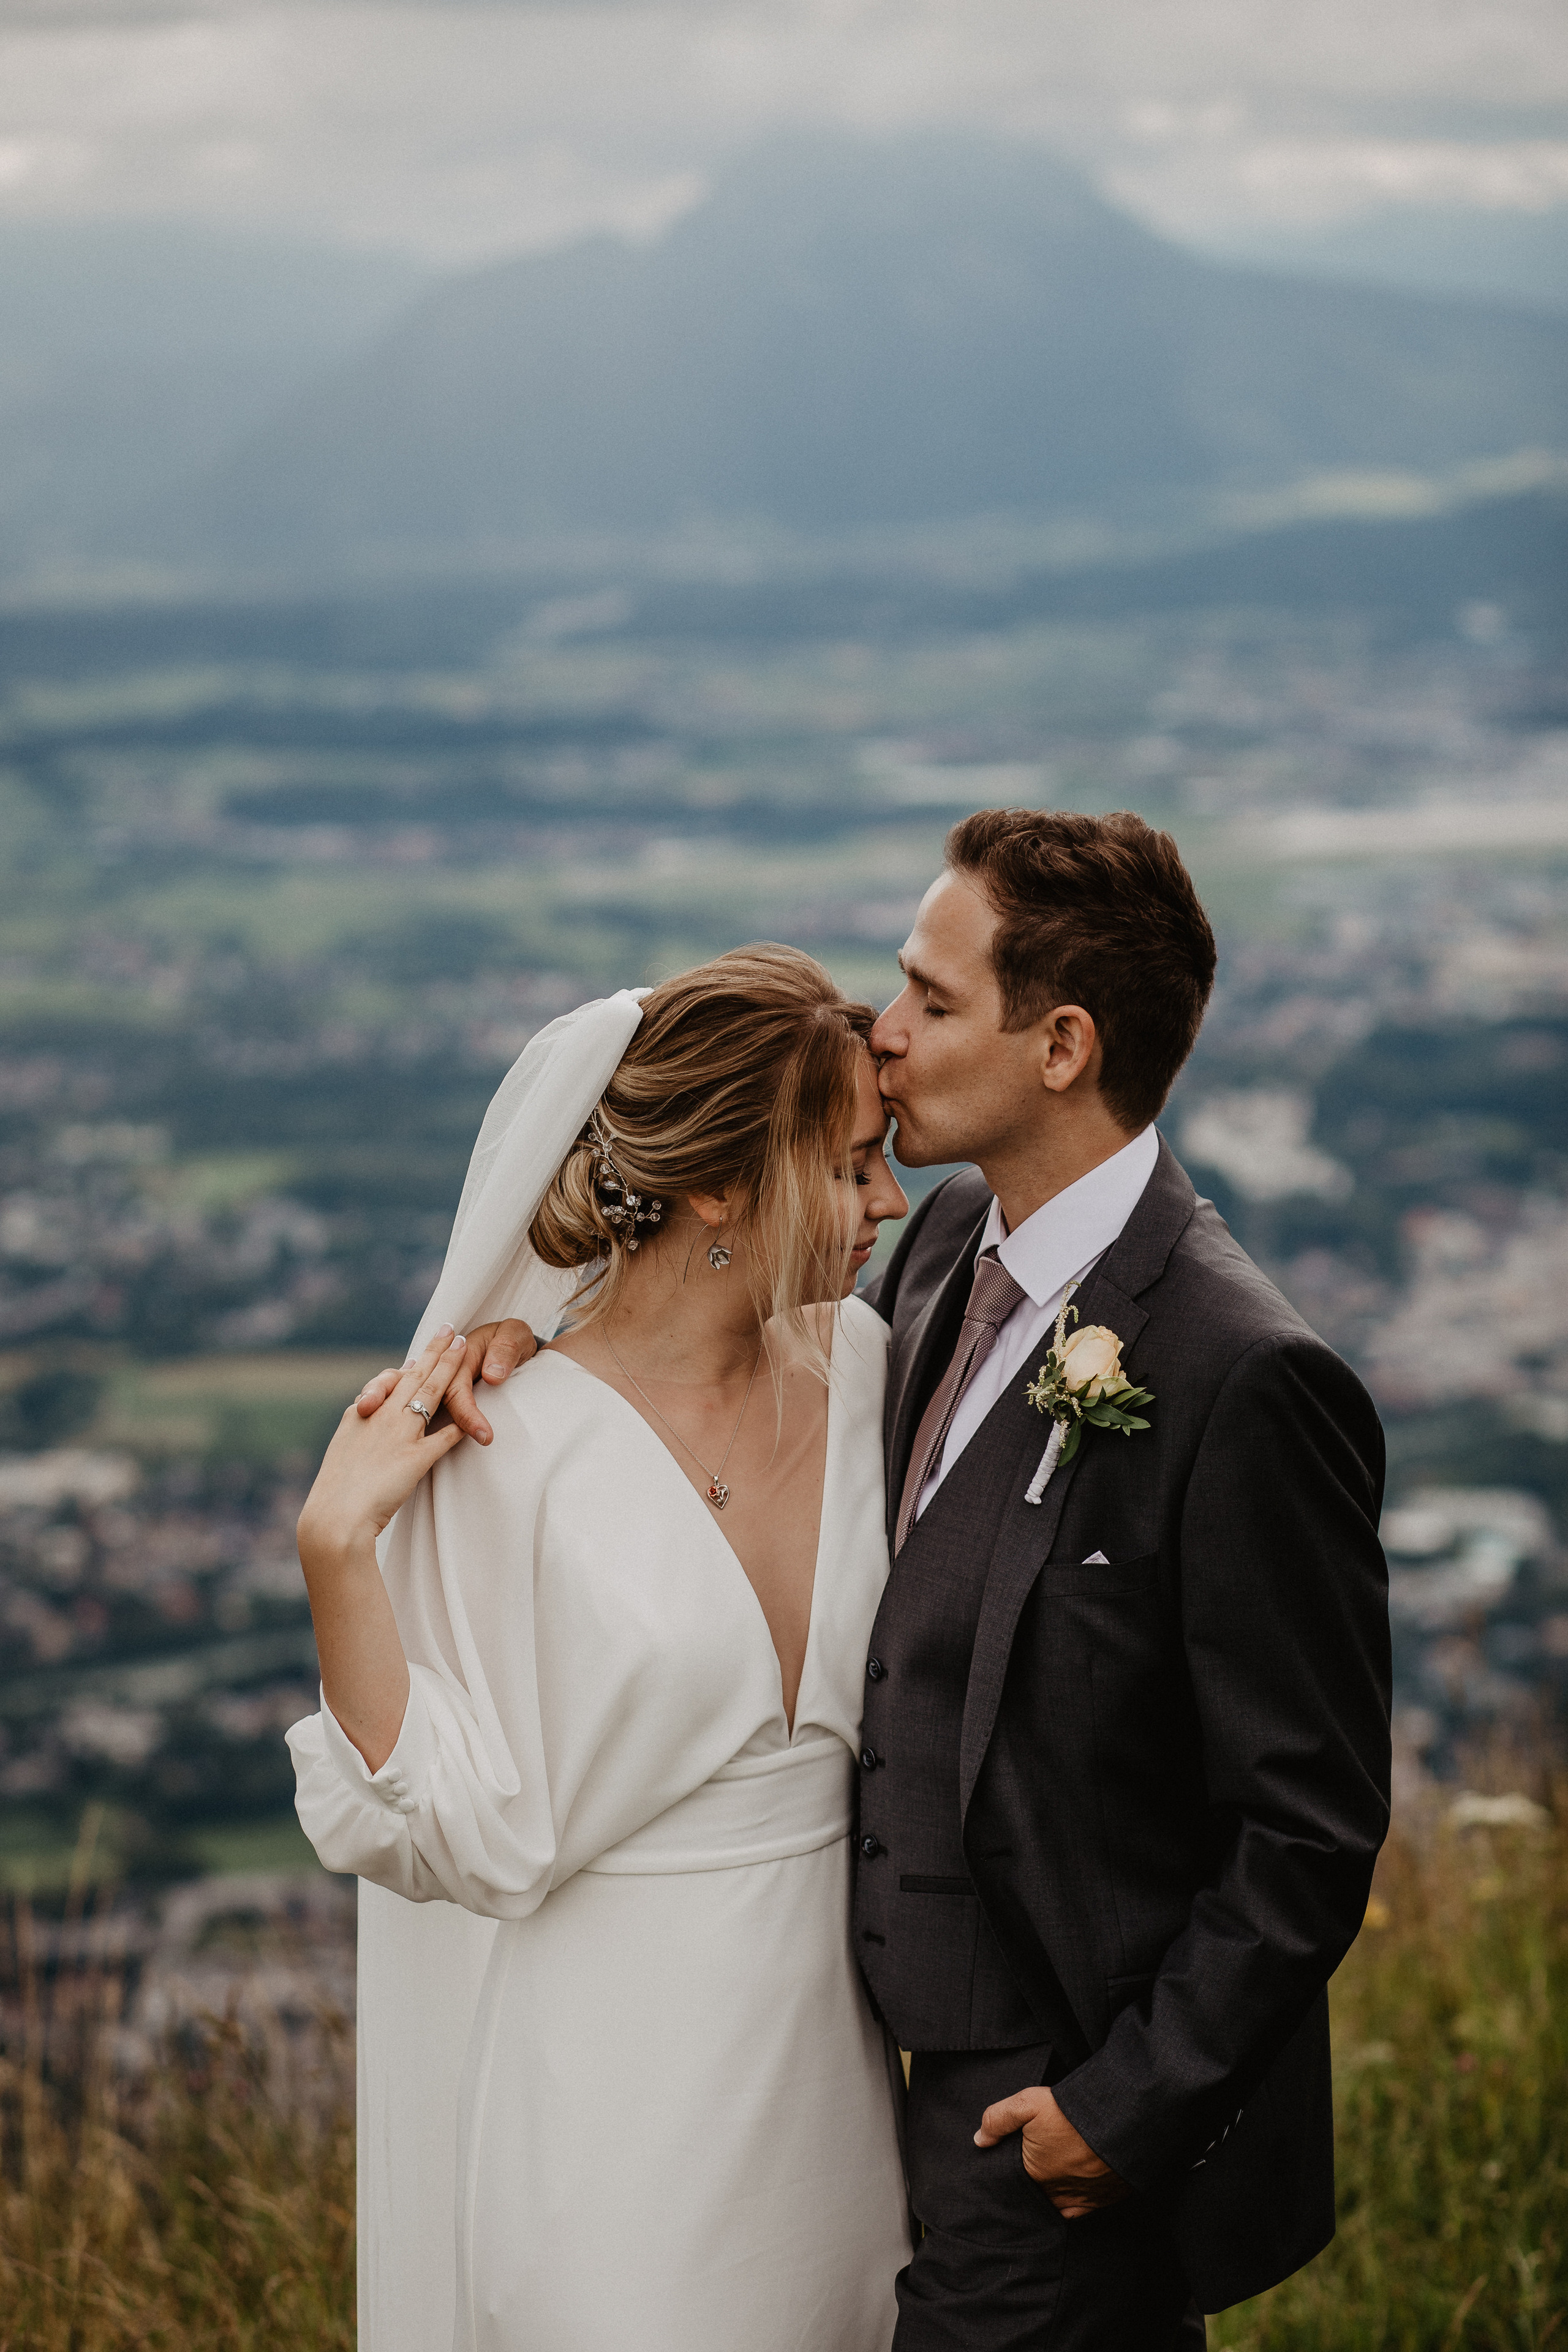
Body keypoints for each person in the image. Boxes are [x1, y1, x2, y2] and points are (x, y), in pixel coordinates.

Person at [388, 808, 1391, 2344]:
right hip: (819, 2080)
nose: (883, 1028)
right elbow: (718, 1353)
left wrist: (1122, 2109)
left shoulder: (1241, 1373)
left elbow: (1307, 1823)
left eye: (928, 997)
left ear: (1058, 1045)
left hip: (1040, 2111)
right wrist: (540, 1353)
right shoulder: (929, 1258)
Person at [287, 946, 912, 2352]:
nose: (890, 1201)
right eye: (850, 1166)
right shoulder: (507, 1443)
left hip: (841, 2096)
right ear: (714, 1184)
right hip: (610, 2115)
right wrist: (336, 1549)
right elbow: (452, 1833)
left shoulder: (871, 1368)